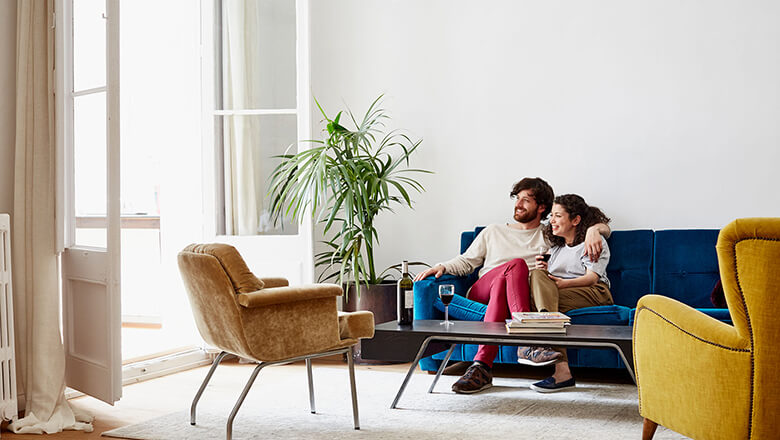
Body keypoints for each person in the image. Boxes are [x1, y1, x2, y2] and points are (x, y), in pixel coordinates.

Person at [413, 178, 609, 394]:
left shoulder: (549, 234)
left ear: (541, 207)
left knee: (506, 281)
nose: (518, 204)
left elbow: (584, 228)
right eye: (517, 198)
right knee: (515, 267)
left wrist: (594, 230)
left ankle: (482, 367)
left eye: (526, 200)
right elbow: (467, 261)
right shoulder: (493, 231)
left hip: (509, 297)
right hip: (482, 292)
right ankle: (525, 343)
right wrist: (442, 266)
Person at [520, 194, 614, 393]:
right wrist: (545, 275)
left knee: (544, 303)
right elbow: (548, 283)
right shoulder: (556, 249)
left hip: (593, 291)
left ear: (575, 220)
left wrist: (561, 284)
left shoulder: (591, 242)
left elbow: (592, 278)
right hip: (560, 293)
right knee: (537, 275)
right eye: (551, 216)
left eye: (557, 216)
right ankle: (562, 371)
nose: (551, 220)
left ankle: (538, 341)